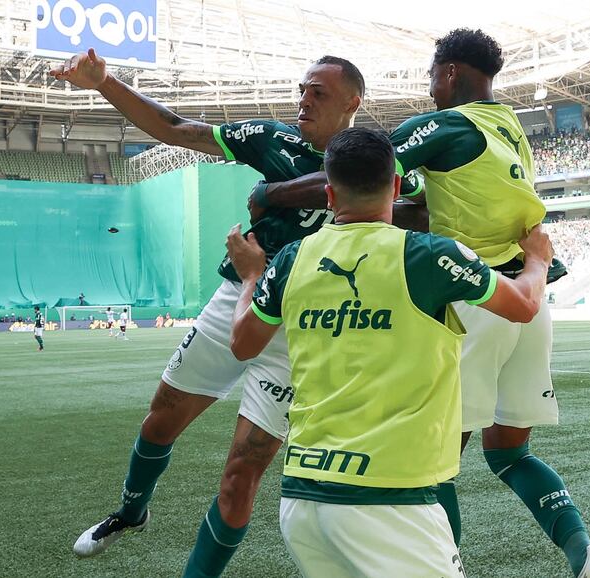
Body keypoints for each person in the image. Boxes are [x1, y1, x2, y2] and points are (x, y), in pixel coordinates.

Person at [252, 29, 590, 578]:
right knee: (510, 452)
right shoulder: (511, 128)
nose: (428, 89)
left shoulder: (450, 124)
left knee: (436, 465)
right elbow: (430, 199)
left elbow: (363, 168)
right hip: (530, 296)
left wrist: (271, 194)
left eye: (430, 77)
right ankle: (586, 554)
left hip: (477, 296)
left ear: (449, 73)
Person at [52, 49, 420, 574]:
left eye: (319, 92)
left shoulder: (376, 160)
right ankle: (131, 514)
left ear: (353, 101)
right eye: (303, 89)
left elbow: (416, 208)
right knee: (161, 418)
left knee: (241, 472)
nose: (304, 100)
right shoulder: (273, 140)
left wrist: (277, 194)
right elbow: (179, 129)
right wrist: (105, 81)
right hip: (235, 301)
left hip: (304, 330)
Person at [227, 127, 553, 577]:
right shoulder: (426, 254)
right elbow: (523, 305)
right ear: (396, 186)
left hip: (302, 499)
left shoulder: (291, 260)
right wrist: (538, 260)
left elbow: (242, 344)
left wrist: (250, 279)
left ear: (328, 193)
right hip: (389, 501)